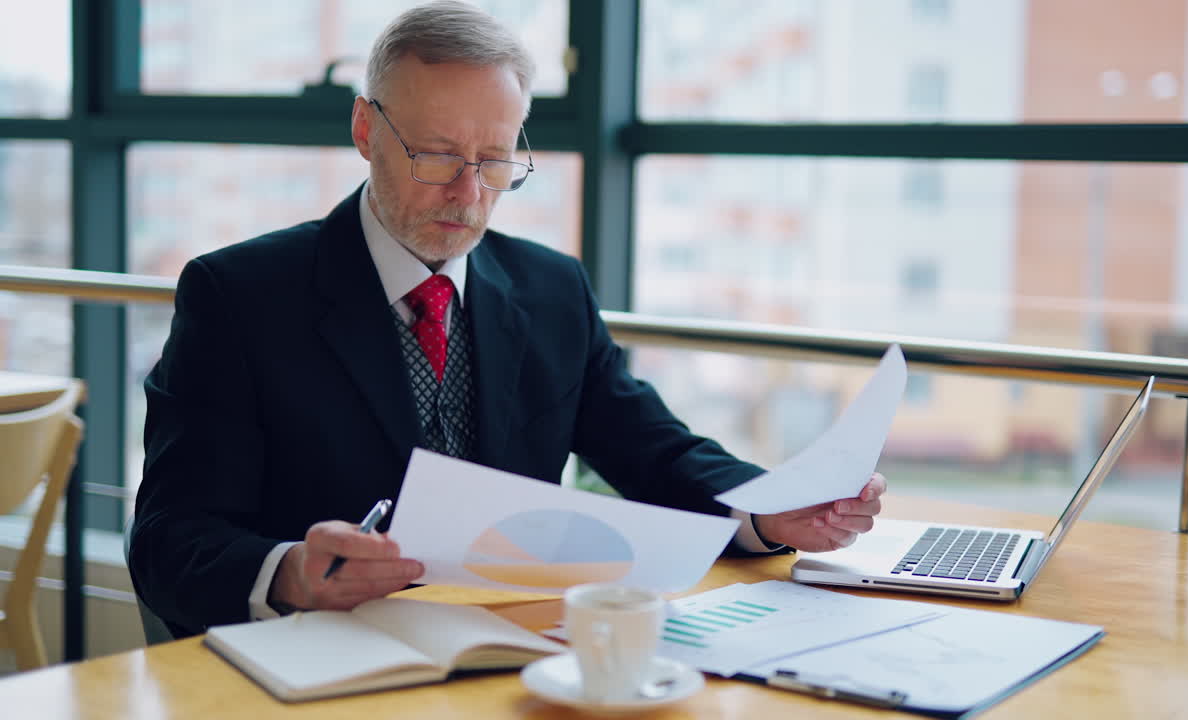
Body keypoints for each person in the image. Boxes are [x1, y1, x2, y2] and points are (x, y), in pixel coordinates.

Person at [128, 1, 886, 638]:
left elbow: (654, 452)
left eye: (494, 160)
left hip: (515, 654)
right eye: (435, 155)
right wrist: (289, 571)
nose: (468, 193)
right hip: (321, 663)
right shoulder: (238, 297)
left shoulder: (551, 289)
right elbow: (168, 539)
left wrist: (769, 510)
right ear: (364, 130)